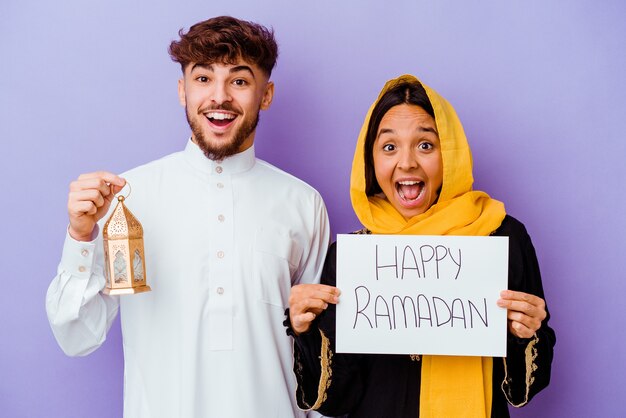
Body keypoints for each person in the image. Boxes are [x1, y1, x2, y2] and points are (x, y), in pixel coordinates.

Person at [46, 16, 330, 418]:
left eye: (239, 81)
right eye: (203, 79)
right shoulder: (129, 199)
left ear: (265, 95)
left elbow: (321, 359)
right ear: (182, 90)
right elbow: (76, 337)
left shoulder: (303, 204)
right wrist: (80, 236)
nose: (219, 97)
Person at [286, 75, 555, 417]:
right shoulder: (353, 259)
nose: (407, 162)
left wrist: (525, 335)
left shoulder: (499, 238)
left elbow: (523, 390)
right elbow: (339, 398)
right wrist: (306, 330)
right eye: (389, 147)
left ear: (450, 154)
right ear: (371, 160)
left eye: (425, 145)